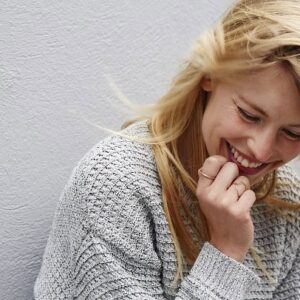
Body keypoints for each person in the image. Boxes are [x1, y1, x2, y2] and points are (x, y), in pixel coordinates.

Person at [34, 0, 300, 299]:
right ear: (209, 75)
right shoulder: (116, 185)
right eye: (249, 115)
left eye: (293, 133)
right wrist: (226, 251)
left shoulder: (286, 204)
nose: (262, 151)